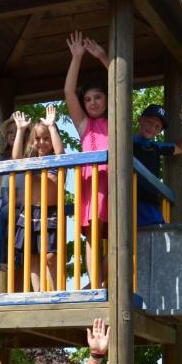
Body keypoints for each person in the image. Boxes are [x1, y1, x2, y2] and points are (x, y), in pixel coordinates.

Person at [64, 31, 110, 288]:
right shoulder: (84, 125)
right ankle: (95, 284)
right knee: (92, 236)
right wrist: (77, 58)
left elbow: (120, 84)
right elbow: (69, 91)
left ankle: (106, 280)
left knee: (115, 237)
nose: (92, 103)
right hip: (92, 184)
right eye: (88, 99)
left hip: (112, 183)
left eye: (98, 97)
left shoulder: (114, 119)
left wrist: (102, 56)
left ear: (107, 99)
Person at [11, 106, 65, 291]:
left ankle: (54, 290)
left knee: (50, 256)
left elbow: (59, 152)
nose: (42, 142)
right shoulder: (31, 162)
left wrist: (51, 126)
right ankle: (39, 292)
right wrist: (20, 130)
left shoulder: (57, 163)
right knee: (32, 255)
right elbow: (16, 157)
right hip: (31, 212)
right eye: (37, 139)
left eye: (46, 138)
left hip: (50, 212)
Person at [133, 103, 182, 226]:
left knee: (159, 233)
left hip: (150, 202)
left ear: (160, 131)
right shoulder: (127, 142)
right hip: (130, 198)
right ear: (140, 120)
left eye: (157, 126)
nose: (152, 128)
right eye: (150, 122)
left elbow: (179, 148)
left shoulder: (156, 147)